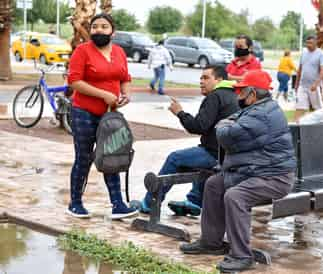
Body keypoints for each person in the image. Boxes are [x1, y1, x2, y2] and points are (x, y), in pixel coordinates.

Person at [180, 70, 297, 272]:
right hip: (255, 171)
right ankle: (211, 242)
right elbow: (230, 124)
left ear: (251, 94)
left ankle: (241, 255)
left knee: (235, 196)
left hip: (274, 177)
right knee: (214, 184)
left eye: (240, 91)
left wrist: (223, 124)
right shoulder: (258, 108)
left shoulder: (261, 115)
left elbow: (226, 136)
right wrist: (226, 124)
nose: (237, 95)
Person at [139, 66, 240, 215]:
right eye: (200, 78)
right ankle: (194, 201)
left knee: (175, 158)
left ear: (219, 80)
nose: (201, 81)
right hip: (229, 155)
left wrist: (180, 112)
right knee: (196, 155)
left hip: (217, 155)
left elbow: (198, 126)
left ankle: (150, 203)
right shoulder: (234, 95)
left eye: (206, 78)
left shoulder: (215, 96)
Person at [67, 13, 138, 220]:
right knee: (84, 158)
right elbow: (75, 81)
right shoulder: (82, 51)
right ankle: (75, 203)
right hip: (83, 112)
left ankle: (118, 205)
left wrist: (126, 93)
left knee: (112, 156)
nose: (99, 30)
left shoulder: (119, 52)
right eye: (95, 26)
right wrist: (104, 95)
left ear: (112, 31)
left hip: (110, 115)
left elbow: (125, 77)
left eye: (104, 26)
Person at [294, 35, 323, 121]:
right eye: (307, 43)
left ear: (316, 43)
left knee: (318, 109)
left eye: (311, 43)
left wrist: (316, 84)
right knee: (300, 107)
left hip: (314, 87)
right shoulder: (304, 53)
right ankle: (298, 126)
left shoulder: (321, 54)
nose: (308, 45)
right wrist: (296, 84)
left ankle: (322, 126)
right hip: (302, 86)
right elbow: (300, 69)